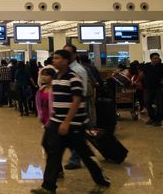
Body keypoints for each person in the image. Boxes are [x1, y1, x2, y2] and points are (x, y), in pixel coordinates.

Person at [31, 50, 110, 194]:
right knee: (51, 150)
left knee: (85, 154)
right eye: (54, 58)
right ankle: (48, 186)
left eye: (57, 58)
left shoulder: (74, 78)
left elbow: (77, 100)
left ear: (65, 61)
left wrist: (67, 122)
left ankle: (102, 181)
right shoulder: (56, 78)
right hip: (56, 122)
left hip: (73, 124)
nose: (54, 60)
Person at [63, 43, 88, 170]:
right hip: (66, 107)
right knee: (72, 136)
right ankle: (79, 157)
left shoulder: (78, 70)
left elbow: (81, 92)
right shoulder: (64, 70)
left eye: (68, 52)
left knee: (76, 136)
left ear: (74, 54)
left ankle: (77, 159)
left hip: (76, 108)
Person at [142, 53, 163, 126]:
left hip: (158, 88)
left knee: (160, 104)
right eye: (154, 58)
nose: (156, 59)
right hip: (148, 88)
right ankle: (152, 118)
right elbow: (142, 74)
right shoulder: (146, 66)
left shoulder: (161, 66)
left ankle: (158, 120)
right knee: (147, 102)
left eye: (157, 58)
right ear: (151, 59)